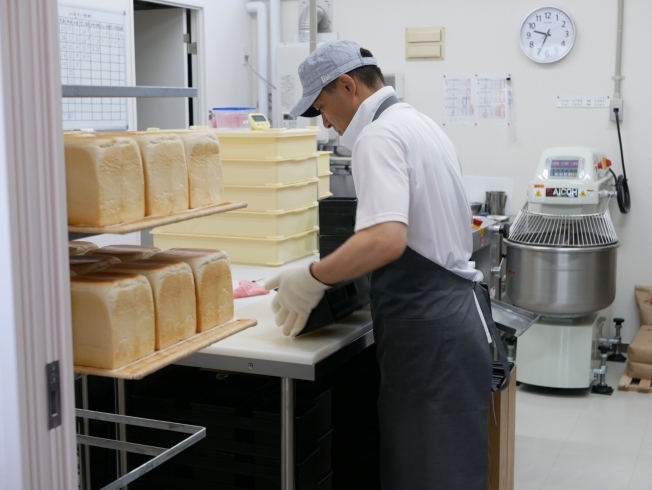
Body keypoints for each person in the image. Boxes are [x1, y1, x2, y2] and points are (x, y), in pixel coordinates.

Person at [265, 40, 506, 490]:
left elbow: (385, 239)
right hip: (454, 322)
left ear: (347, 86)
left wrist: (313, 277)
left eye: (323, 109)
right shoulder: (418, 124)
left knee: (425, 473)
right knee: (448, 471)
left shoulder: (377, 137)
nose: (329, 125)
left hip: (428, 335)